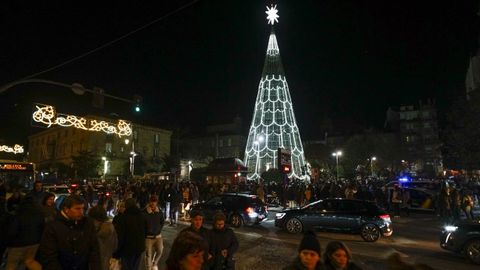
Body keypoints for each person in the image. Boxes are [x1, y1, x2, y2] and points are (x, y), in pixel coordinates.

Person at [38, 194, 101, 270]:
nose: (81, 212)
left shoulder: (87, 223)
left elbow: (94, 249)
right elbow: (49, 257)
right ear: (66, 209)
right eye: (77, 209)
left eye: (83, 208)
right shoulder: (52, 226)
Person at [5, 195, 45, 270]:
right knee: (29, 262)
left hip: (18, 244)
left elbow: (13, 231)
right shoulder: (39, 214)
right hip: (34, 243)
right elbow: (42, 227)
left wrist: (8, 242)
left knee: (11, 264)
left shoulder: (18, 214)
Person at [113, 198, 147, 270]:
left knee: (127, 267)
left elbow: (120, 236)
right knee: (135, 267)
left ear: (127, 206)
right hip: (139, 247)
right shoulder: (142, 216)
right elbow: (146, 231)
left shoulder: (124, 218)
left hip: (127, 249)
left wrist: (117, 252)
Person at [89, 205, 117, 270]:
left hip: (93, 263)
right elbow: (115, 246)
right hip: (107, 262)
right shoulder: (111, 228)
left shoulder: (91, 229)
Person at [144, 195, 165, 270]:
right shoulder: (144, 212)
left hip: (158, 236)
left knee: (160, 250)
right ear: (149, 202)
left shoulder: (159, 212)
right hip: (148, 237)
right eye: (152, 201)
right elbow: (142, 224)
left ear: (156, 202)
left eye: (155, 201)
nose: (153, 203)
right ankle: (149, 268)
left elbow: (162, 221)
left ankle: (154, 263)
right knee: (148, 255)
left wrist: (159, 229)